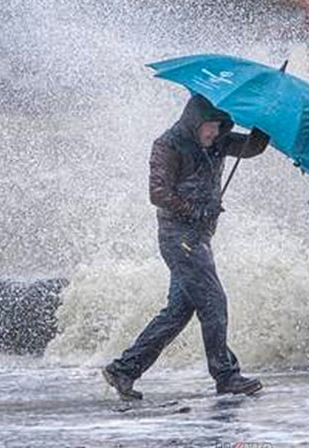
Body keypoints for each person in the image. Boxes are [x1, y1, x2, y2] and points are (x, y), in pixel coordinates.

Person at [102, 94, 270, 400]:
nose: (214, 133)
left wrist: (265, 122)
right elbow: (158, 193)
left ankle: (123, 370)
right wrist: (195, 210)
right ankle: (226, 375)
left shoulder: (218, 141)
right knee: (214, 301)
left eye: (220, 126)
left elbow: (252, 148)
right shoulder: (168, 145)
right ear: (195, 122)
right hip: (178, 238)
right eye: (210, 126)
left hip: (200, 238)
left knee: (178, 312)